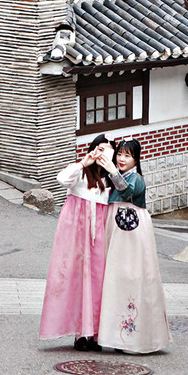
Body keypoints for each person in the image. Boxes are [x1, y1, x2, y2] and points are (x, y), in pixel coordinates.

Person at [39, 134, 115, 351]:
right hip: (75, 235)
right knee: (75, 279)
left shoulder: (110, 181)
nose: (101, 154)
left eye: (107, 150)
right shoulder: (81, 173)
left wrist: (112, 169)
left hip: (99, 236)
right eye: (98, 148)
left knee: (97, 282)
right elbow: (62, 179)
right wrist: (84, 162)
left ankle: (96, 334)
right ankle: (80, 334)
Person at [96, 138, 171, 354]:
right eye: (120, 154)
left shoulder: (136, 179)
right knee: (116, 277)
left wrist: (112, 170)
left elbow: (127, 191)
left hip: (133, 231)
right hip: (117, 227)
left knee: (133, 275)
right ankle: (117, 336)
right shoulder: (116, 176)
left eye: (127, 155)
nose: (121, 159)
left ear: (136, 159)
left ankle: (135, 337)